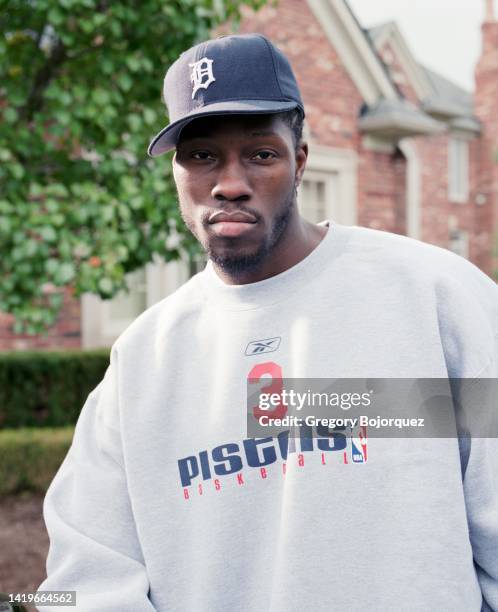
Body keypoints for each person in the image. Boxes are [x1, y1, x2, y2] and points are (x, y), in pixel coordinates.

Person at [38, 34, 498, 611]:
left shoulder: (432, 299)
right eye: (201, 155)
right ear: (176, 171)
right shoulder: (142, 362)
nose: (229, 183)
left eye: (260, 153)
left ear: (300, 159)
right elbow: (89, 579)